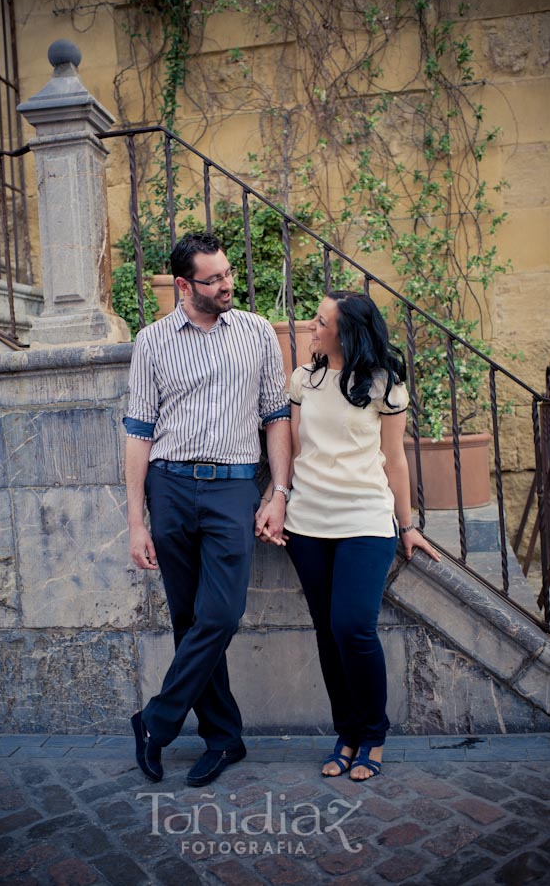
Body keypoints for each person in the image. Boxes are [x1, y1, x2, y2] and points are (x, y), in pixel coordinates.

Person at [124, 232, 291, 788]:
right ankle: (224, 739)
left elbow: (276, 419)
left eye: (227, 275)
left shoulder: (256, 333)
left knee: (219, 615)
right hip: (169, 487)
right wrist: (135, 521)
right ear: (182, 284)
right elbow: (139, 434)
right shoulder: (152, 342)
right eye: (212, 278)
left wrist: (278, 493)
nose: (226, 285)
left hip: (233, 488)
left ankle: (155, 721)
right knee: (189, 621)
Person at [256, 291, 439, 781]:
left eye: (320, 322)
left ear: (346, 332)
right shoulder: (304, 379)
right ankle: (348, 732)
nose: (311, 328)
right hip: (308, 523)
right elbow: (293, 449)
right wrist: (279, 498)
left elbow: (395, 459)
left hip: (365, 520)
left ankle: (373, 735)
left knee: (352, 627)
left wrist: (409, 524)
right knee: (326, 632)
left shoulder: (384, 385)